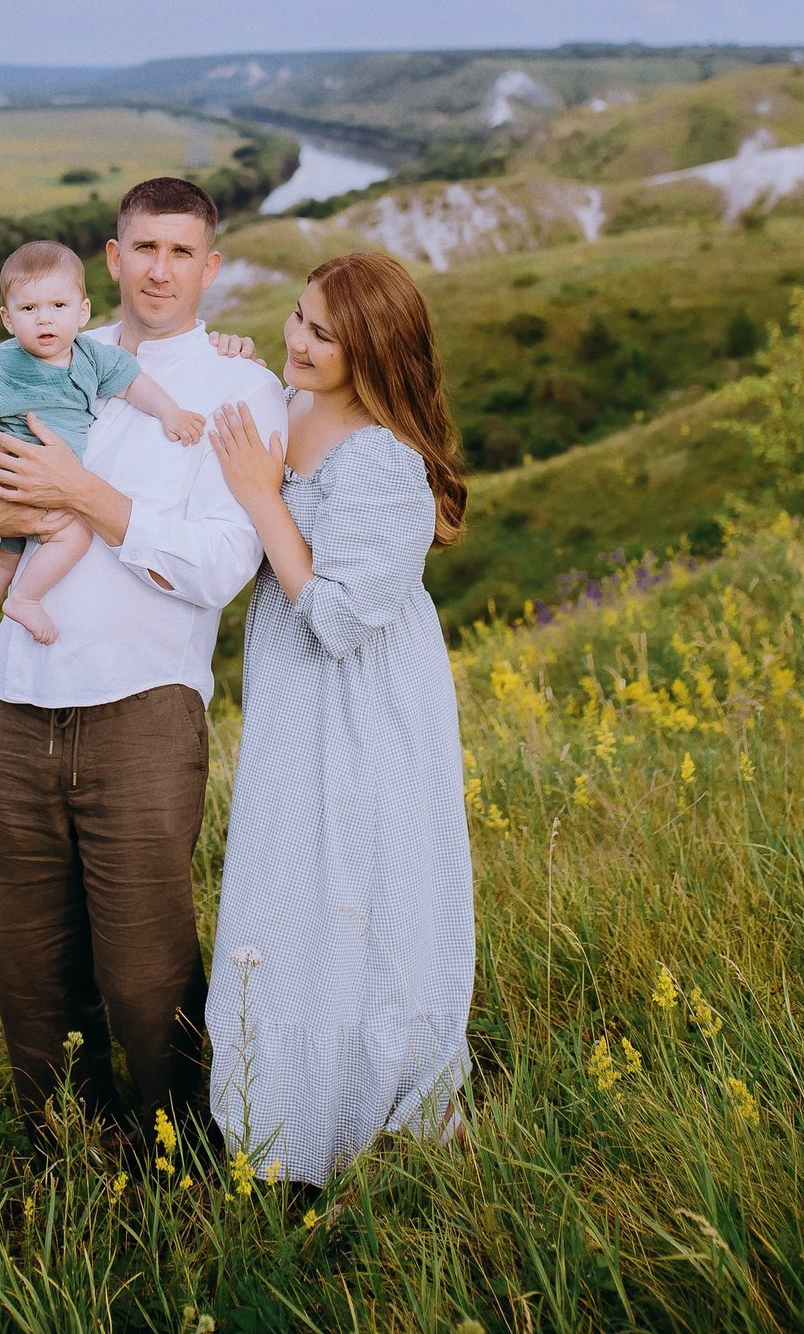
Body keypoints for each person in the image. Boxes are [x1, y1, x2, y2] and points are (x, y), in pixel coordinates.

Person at [0, 178, 287, 1146]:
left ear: (208, 267)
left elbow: (220, 564)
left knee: (143, 976)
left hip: (141, 708)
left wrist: (83, 496)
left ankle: (179, 1167)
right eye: (144, 248)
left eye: (182, 252)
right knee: (30, 971)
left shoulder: (235, 389)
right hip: (15, 703)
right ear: (111, 258)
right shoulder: (37, 355)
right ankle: (60, 1168)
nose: (160, 269)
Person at [205, 251, 475, 1186]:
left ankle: (370, 1123)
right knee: (290, 894)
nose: (298, 339)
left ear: (374, 351)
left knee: (363, 895)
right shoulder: (292, 409)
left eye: (324, 334)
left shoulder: (386, 465)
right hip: (294, 711)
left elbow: (338, 618)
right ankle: (278, 1126)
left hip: (365, 714)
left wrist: (261, 496)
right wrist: (230, 372)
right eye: (298, 317)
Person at [0, 240, 205, 667]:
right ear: (7, 319)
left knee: (5, 556)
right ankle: (26, 599)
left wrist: (170, 412)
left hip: (40, 484)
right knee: (73, 533)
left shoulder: (92, 356)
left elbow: (131, 382)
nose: (45, 318)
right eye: (29, 309)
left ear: (83, 311)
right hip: (8, 480)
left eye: (57, 305)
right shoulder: (5, 365)